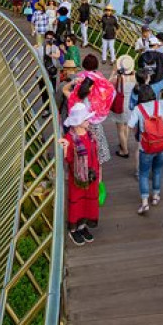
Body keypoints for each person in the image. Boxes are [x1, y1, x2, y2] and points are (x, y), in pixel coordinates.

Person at [127, 81, 163, 214]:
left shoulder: (138, 109)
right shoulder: (159, 104)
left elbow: (130, 125)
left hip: (147, 147)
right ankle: (155, 196)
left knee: (144, 174)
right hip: (162, 144)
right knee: (157, 170)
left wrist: (138, 131)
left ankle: (144, 202)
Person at [59, 91, 101, 246]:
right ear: (78, 121)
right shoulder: (70, 139)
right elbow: (69, 158)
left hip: (91, 175)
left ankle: (82, 226)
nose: (89, 121)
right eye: (86, 119)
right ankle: (74, 229)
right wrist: (64, 147)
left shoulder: (90, 134)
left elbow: (96, 154)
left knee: (89, 202)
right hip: (78, 178)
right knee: (77, 202)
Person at [110, 54, 137, 158]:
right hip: (131, 105)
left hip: (121, 105)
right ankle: (124, 143)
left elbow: (108, 84)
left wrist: (113, 71)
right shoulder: (134, 77)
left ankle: (124, 151)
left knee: (120, 128)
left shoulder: (118, 78)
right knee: (126, 126)